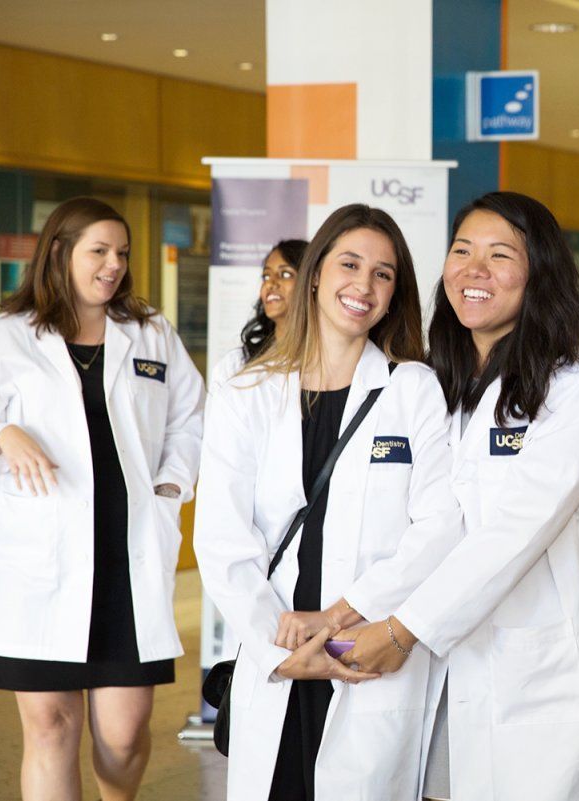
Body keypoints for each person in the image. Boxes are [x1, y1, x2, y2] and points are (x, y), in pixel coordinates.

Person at [337, 191, 579, 801]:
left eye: (500, 254)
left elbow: (514, 532)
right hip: (446, 665)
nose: (473, 270)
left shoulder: (577, 388)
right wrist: (352, 611)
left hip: (548, 657)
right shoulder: (430, 384)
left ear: (540, 275)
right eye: (462, 251)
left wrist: (403, 630)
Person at [0, 197, 205, 800]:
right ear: (59, 252)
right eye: (99, 251)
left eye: (122, 253)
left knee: (124, 734)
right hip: (43, 565)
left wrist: (171, 482)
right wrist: (3, 435)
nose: (114, 265)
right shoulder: (6, 338)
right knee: (51, 728)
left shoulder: (149, 332)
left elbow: (192, 416)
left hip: (125, 562)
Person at [193, 205, 460, 801]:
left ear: (396, 294)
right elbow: (221, 537)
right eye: (349, 264)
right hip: (279, 655)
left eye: (384, 274)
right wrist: (276, 649)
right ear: (314, 274)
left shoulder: (411, 388)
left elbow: (440, 526)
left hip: (367, 652)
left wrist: (341, 613)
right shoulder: (246, 392)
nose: (363, 286)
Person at [211, 238, 308, 385]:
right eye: (266, 276)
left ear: (312, 281)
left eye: (285, 274)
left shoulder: (329, 360)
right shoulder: (237, 364)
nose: (270, 283)